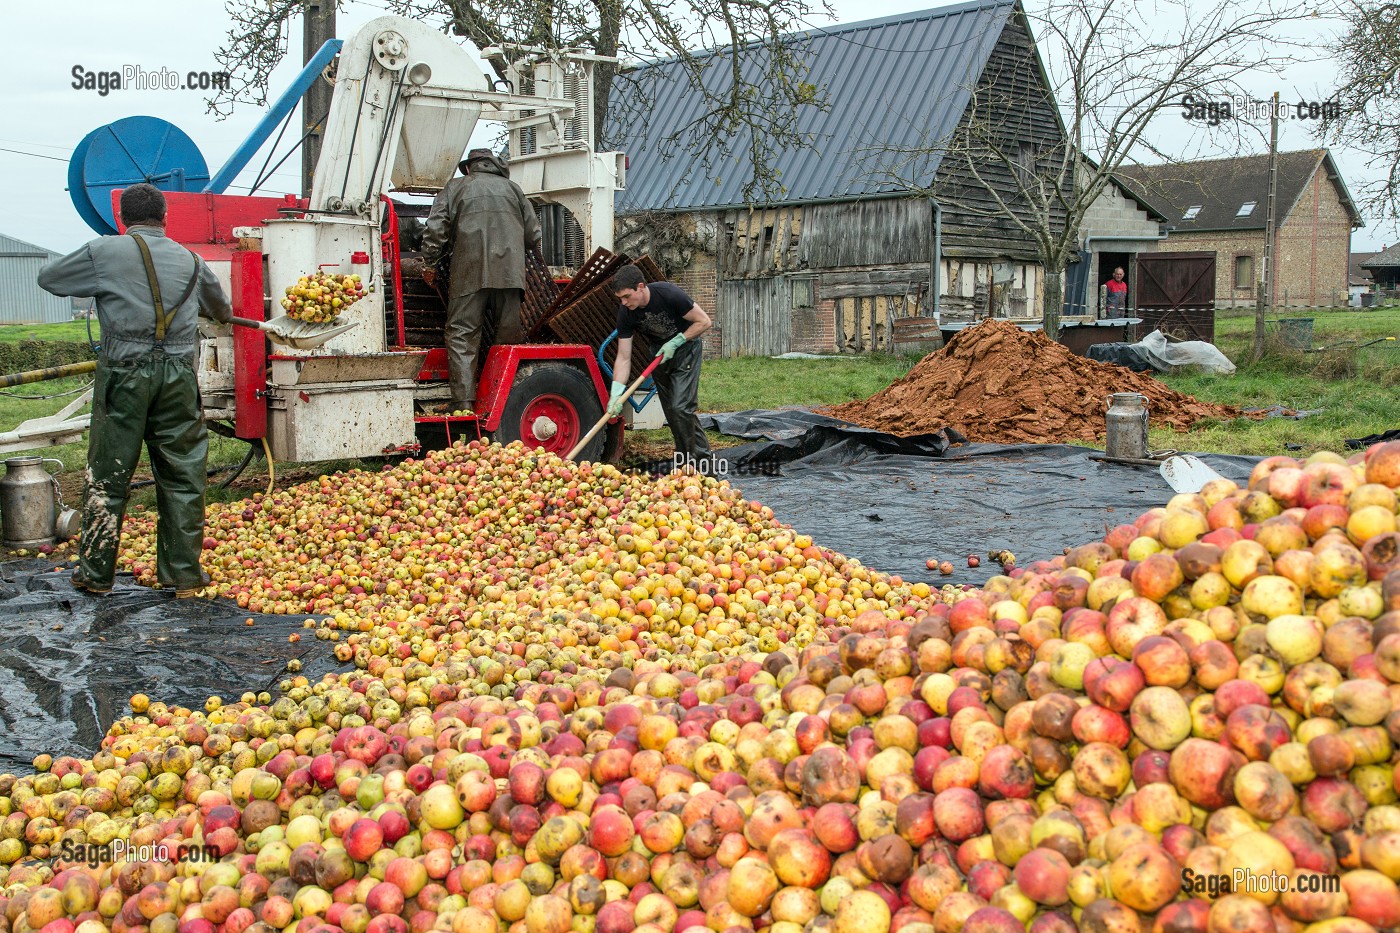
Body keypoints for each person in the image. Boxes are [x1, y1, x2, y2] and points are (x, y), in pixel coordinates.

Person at [38, 183, 232, 597]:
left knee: (108, 474)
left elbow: (49, 278)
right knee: (182, 474)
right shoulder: (192, 261)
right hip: (178, 377)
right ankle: (182, 575)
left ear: (122, 219)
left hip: (124, 375)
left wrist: (108, 284)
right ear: (166, 217)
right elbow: (222, 312)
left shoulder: (104, 251)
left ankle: (95, 576)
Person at [420, 148, 541, 415]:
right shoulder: (514, 190)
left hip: (468, 274)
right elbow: (533, 236)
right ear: (493, 166)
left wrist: (429, 263)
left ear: (469, 168)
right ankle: (503, 403)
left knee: (462, 336)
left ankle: (463, 404)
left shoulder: (455, 188)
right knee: (505, 341)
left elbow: (436, 229)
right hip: (510, 277)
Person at [607, 265, 713, 468]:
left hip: (685, 348)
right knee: (673, 413)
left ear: (640, 287)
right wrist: (616, 393)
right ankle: (686, 464)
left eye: (627, 296)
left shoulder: (669, 294)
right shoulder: (626, 312)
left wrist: (677, 340)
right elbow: (623, 356)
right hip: (658, 354)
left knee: (681, 407)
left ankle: (702, 466)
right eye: (620, 298)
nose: (624, 302)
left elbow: (704, 321)